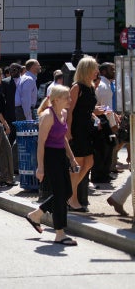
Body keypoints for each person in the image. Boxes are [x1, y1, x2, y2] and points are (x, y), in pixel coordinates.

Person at [25, 84, 80, 246]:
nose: (70, 100)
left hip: (60, 155)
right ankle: (60, 233)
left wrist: (72, 158)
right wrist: (40, 167)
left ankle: (36, 214)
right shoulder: (47, 116)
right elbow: (41, 143)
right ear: (56, 100)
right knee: (60, 193)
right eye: (67, 97)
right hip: (49, 156)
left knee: (67, 191)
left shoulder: (62, 113)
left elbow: (63, 138)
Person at [66, 56, 102, 212]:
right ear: (87, 69)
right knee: (78, 164)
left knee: (89, 162)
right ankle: (71, 198)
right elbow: (69, 111)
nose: (97, 71)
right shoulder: (77, 87)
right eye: (95, 68)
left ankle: (68, 194)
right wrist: (67, 131)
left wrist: (95, 113)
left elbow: (85, 108)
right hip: (77, 129)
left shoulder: (90, 87)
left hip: (86, 129)